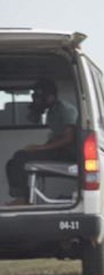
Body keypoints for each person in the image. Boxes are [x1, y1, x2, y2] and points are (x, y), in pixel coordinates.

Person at [5, 77, 78, 206]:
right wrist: (39, 147)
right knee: (12, 163)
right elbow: (56, 137)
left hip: (68, 153)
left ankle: (23, 199)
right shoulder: (51, 112)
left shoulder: (65, 109)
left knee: (20, 157)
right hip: (59, 151)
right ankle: (22, 197)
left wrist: (40, 149)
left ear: (50, 97)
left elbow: (69, 138)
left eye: (39, 97)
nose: (36, 101)